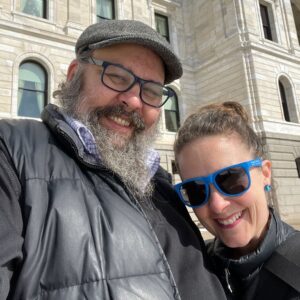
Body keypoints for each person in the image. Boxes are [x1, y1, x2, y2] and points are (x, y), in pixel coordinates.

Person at [0, 20, 227, 299]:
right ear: (73, 76)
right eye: (117, 76)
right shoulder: (10, 152)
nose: (134, 101)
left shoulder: (161, 184)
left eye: (152, 91)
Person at [173, 101, 300, 300]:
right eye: (196, 190)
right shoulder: (193, 270)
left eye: (231, 179)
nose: (217, 204)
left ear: (265, 174)